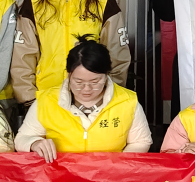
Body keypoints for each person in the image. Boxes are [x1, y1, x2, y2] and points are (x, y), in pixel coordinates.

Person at [10, 0, 130, 105]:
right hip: (47, 95)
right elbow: (23, 55)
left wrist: (110, 94)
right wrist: (29, 98)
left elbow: (117, 52)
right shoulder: (34, 2)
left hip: (92, 95)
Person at [16, 37, 152, 160]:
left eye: (95, 82)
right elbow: (21, 139)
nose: (87, 89)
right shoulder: (47, 101)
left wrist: (117, 165)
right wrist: (34, 143)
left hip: (110, 175)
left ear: (106, 75)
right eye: (79, 82)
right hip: (59, 176)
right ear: (69, 75)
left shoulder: (127, 101)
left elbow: (140, 141)